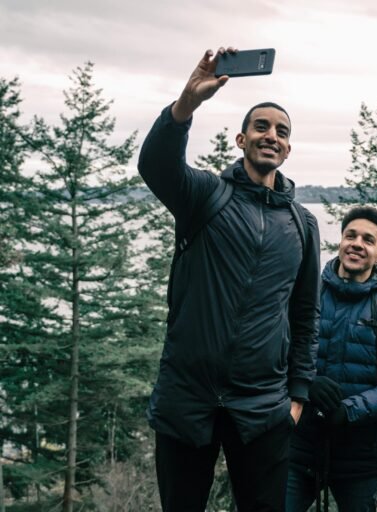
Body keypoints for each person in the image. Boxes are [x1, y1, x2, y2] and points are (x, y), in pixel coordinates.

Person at [138, 48, 320, 511]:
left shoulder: (302, 224)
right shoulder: (205, 195)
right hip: (187, 397)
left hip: (264, 404)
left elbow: (305, 313)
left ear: (288, 150)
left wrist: (297, 396)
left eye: (281, 131)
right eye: (261, 126)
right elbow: (155, 166)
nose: (271, 135)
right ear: (241, 139)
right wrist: (187, 103)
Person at [286, 207, 377, 512]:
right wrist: (305, 383)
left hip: (360, 455)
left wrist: (349, 410)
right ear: (341, 241)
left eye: (368, 240)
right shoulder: (305, 294)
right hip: (298, 445)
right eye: (350, 236)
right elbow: (276, 351)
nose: (357, 244)